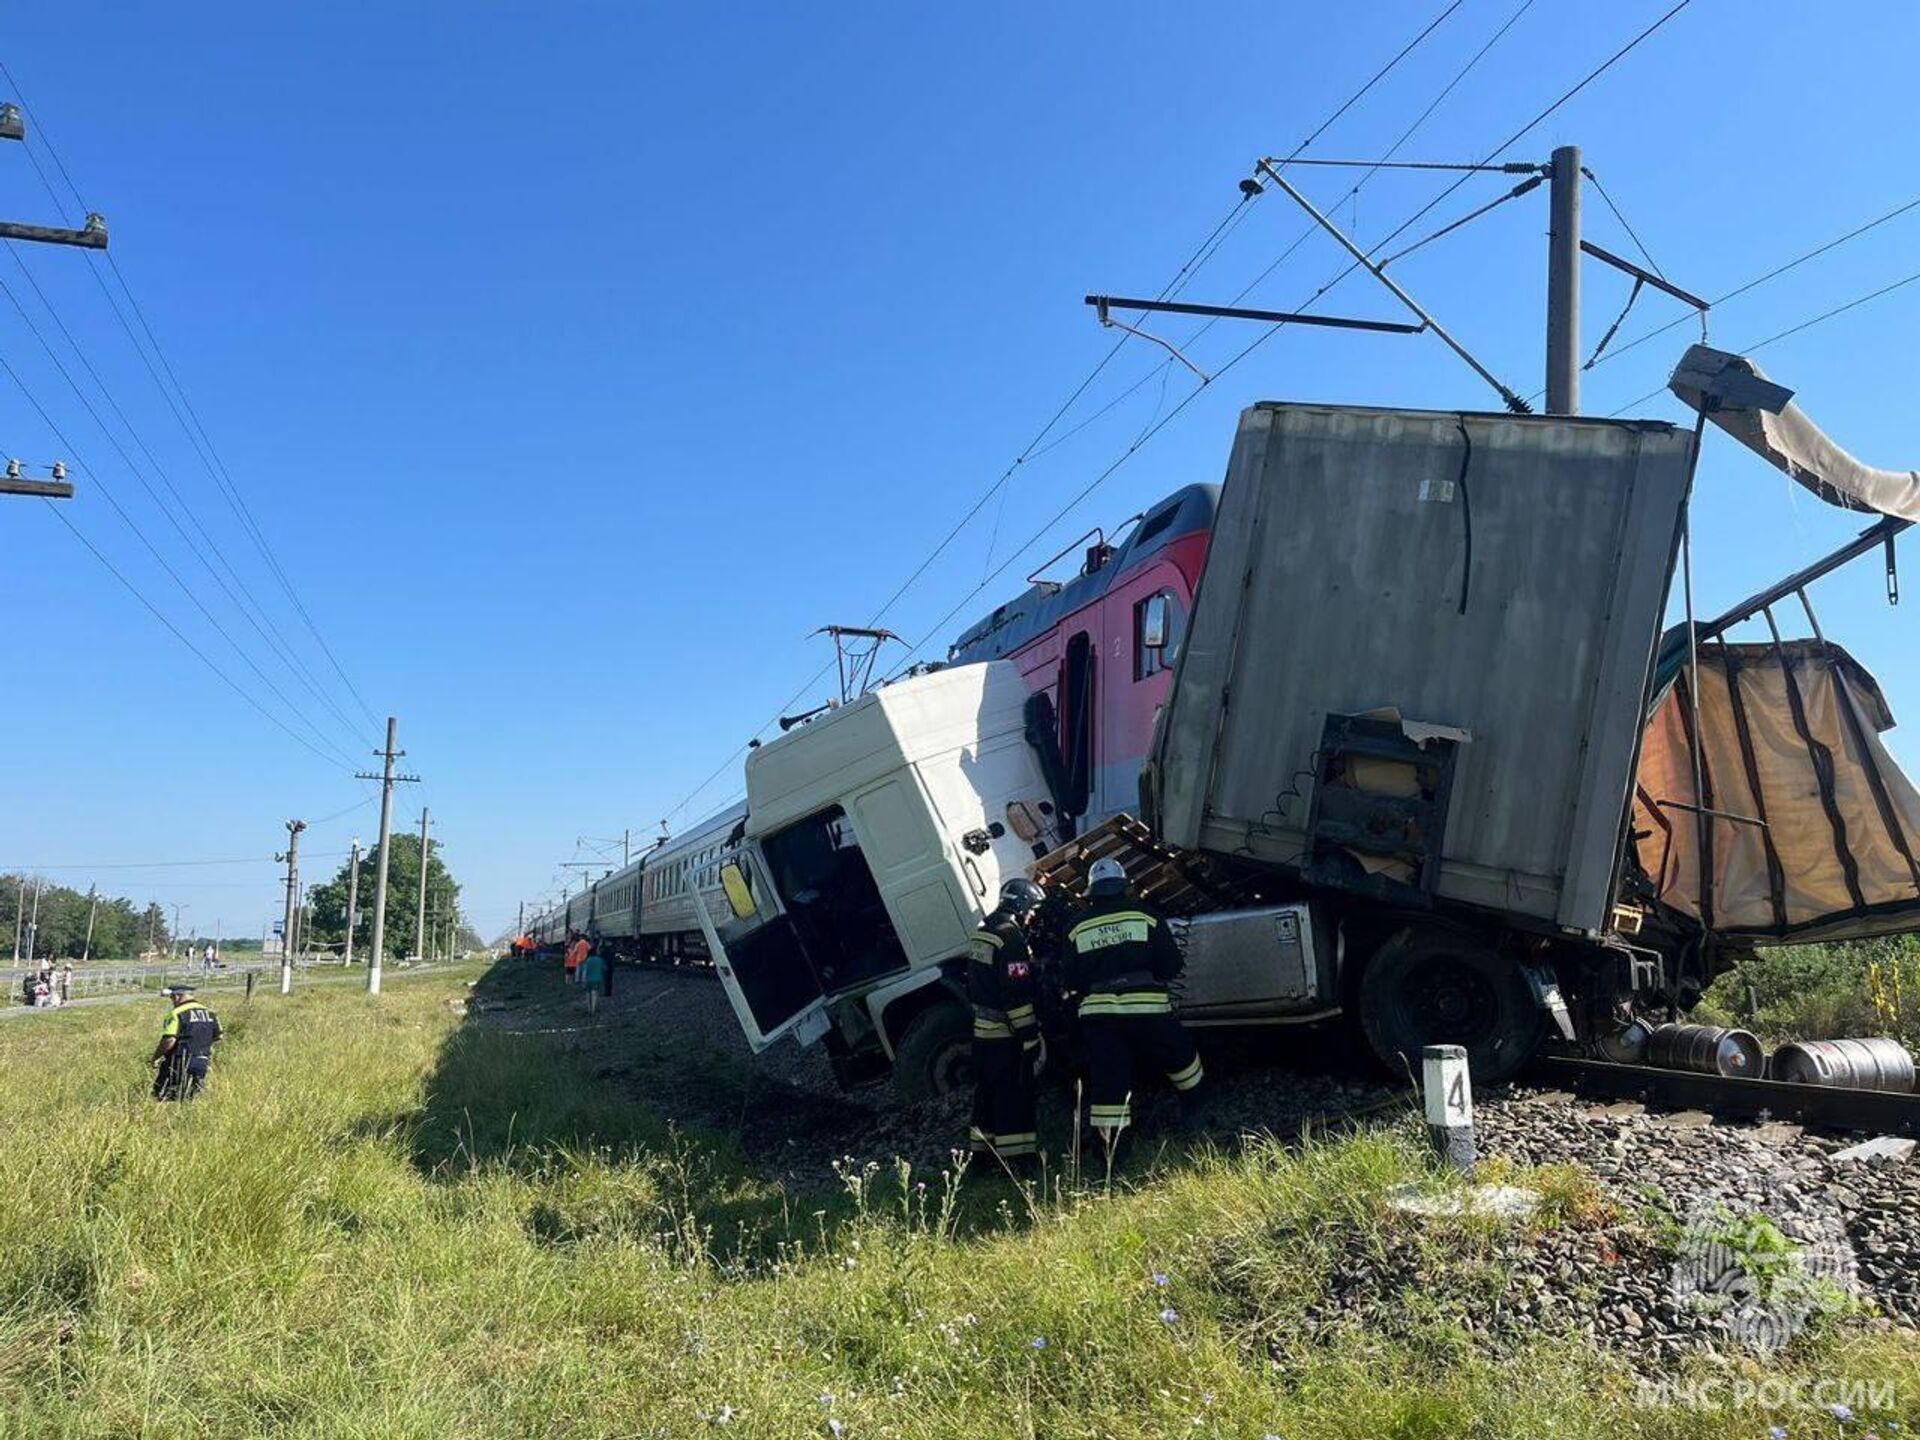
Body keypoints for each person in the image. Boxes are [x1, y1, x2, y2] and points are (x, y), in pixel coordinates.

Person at [1064, 856, 1202, 1153]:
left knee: (1109, 1079)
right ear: (1123, 887)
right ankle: (1195, 1112)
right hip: (1148, 1011)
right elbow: (1171, 966)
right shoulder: (1146, 916)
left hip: (1100, 1017)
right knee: (1180, 1056)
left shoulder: (1076, 928)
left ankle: (1111, 1151)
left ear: (1093, 892)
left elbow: (1070, 979)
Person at [967, 876, 1048, 1169]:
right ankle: (1019, 1160)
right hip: (1005, 1036)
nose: (1033, 917)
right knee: (1013, 1095)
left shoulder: (983, 932)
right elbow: (1016, 996)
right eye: (1033, 910)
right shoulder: (1010, 938)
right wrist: (1029, 1036)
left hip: (982, 1035)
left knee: (986, 1096)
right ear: (1022, 905)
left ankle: (981, 1157)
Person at [151, 982, 222, 1101]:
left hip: (179, 1061)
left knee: (162, 1095)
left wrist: (156, 1057)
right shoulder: (210, 1013)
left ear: (177, 996)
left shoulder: (176, 1013)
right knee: (190, 1097)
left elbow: (169, 1039)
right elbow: (219, 1036)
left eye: (172, 998)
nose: (172, 1001)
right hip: (202, 1061)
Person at [579, 944, 607, 1014]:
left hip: (588, 979)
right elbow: (604, 969)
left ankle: (589, 1008)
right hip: (597, 979)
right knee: (595, 993)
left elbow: (584, 972)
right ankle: (593, 1009)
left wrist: (583, 980)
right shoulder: (600, 960)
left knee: (588, 994)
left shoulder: (587, 961)